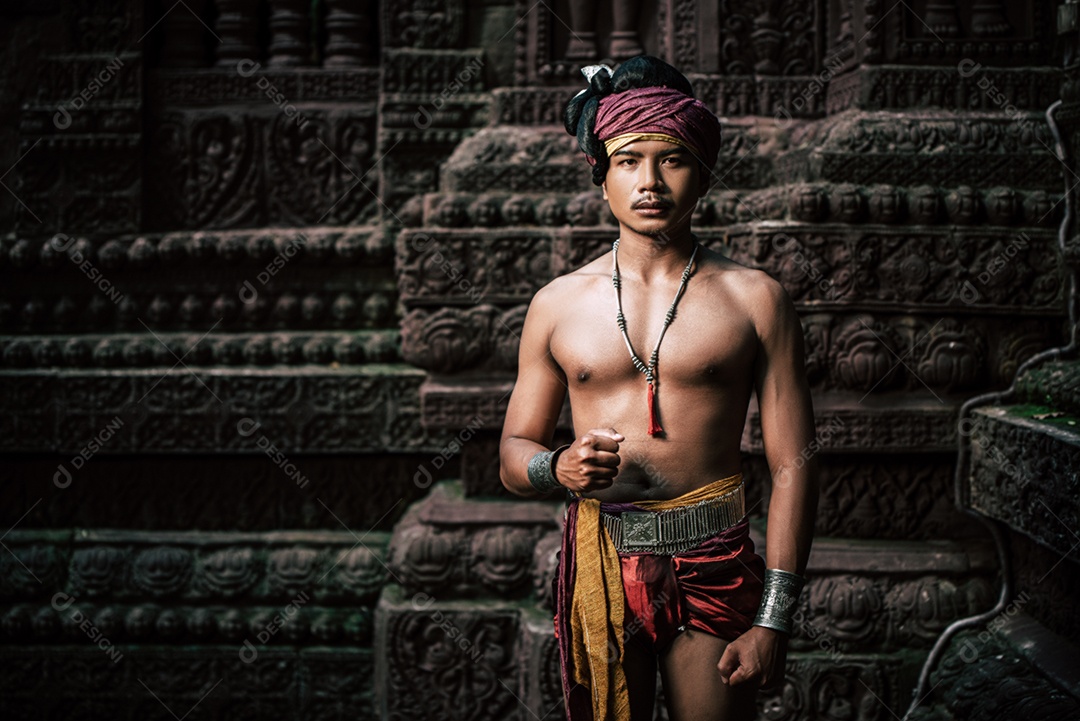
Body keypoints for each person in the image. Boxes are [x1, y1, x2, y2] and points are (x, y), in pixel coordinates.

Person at [498, 55, 819, 721]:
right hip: (601, 560)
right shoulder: (557, 304)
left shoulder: (755, 299)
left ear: (702, 170)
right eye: (627, 160)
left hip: (715, 556)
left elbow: (793, 463)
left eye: (671, 159)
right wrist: (555, 465)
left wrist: (774, 618)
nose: (649, 181)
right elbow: (513, 452)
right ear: (602, 174)